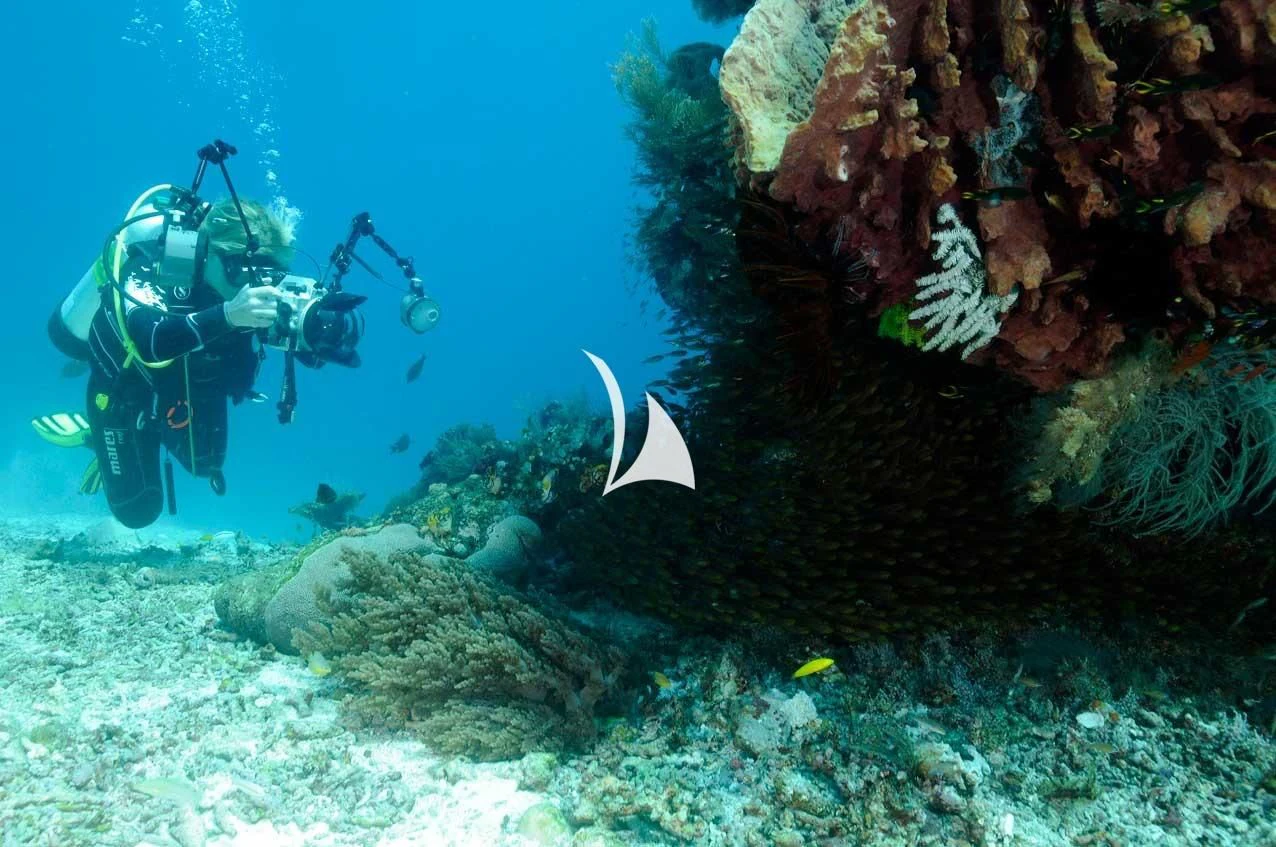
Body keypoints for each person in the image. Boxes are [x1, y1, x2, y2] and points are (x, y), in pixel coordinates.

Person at [42, 195, 295, 528]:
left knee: (205, 464)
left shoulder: (238, 288)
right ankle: (99, 437)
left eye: (268, 274)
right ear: (208, 251)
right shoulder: (152, 265)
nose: (250, 285)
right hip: (124, 388)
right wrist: (230, 315)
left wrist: (324, 332)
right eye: (240, 272)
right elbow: (150, 341)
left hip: (181, 381)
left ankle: (149, 428)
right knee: (138, 509)